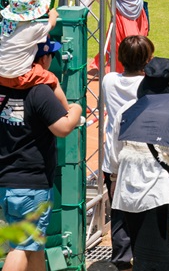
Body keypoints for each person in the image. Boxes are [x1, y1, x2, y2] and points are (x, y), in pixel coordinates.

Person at [0, 37, 82, 271]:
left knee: (34, 245)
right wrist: (75, 110)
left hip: (7, 181)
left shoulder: (3, 84)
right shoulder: (39, 92)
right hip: (31, 185)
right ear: (43, 59)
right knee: (22, 247)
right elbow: (63, 127)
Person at [113, 51, 169, 270]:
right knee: (160, 257)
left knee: (139, 253)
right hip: (157, 194)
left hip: (126, 192)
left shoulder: (125, 111)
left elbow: (114, 154)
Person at [99, 35, 153, 267]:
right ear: (147, 60)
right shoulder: (150, 85)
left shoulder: (109, 80)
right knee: (144, 209)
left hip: (114, 158)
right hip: (143, 157)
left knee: (119, 212)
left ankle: (122, 259)